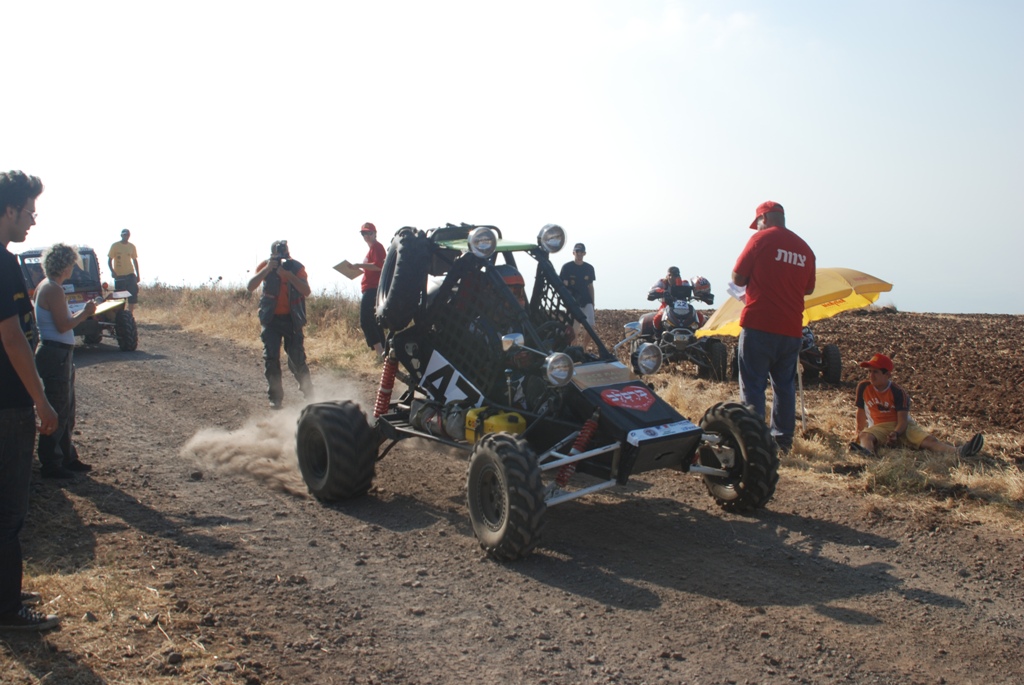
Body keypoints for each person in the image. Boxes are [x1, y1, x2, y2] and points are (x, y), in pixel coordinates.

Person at [0, 170, 61, 632]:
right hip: (7, 404)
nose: (32, 221)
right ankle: (7, 610)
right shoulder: (4, 264)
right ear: (8, 210)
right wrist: (41, 399)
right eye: (28, 211)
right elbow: (12, 337)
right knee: (9, 511)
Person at [732, 201, 816, 453]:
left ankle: (754, 440)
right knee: (784, 387)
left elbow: (737, 277)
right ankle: (782, 441)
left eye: (757, 223)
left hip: (759, 325)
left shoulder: (760, 240)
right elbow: (809, 288)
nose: (756, 228)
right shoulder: (805, 249)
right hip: (791, 330)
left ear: (764, 219)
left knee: (753, 385)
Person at [34, 243, 98, 479]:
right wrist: (86, 313)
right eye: (72, 264)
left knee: (65, 409)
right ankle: (53, 463)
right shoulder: (53, 289)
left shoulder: (47, 286)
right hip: (56, 353)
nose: (74, 268)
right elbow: (63, 325)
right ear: (64, 265)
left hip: (57, 352)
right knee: (59, 409)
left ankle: (66, 458)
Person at [853, 353, 984, 458]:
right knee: (865, 436)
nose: (871, 376)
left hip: (901, 426)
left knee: (930, 441)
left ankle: (960, 452)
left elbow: (902, 420)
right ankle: (867, 454)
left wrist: (896, 433)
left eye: (875, 372)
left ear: (887, 375)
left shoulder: (898, 392)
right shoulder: (863, 387)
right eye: (869, 372)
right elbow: (861, 412)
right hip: (879, 427)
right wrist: (858, 433)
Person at [247, 240, 314, 409]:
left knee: (297, 360)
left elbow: (306, 291)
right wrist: (267, 269)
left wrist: (288, 275)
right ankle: (275, 399)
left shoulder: (296, 267)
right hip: (270, 320)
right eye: (278, 254)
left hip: (292, 320)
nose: (282, 258)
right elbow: (250, 287)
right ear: (272, 255)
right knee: (271, 359)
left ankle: (310, 396)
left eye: (284, 254)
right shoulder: (265, 266)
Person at [353, 222, 386, 358]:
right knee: (374, 322)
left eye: (369, 233)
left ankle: (380, 352)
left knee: (366, 320)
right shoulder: (372, 249)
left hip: (373, 289)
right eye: (364, 233)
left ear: (375, 233)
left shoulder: (377, 247)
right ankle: (384, 353)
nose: (366, 235)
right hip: (371, 288)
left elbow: (379, 266)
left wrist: (359, 265)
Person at [559, 243, 596, 348]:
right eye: (577, 252)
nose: (579, 254)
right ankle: (573, 349)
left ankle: (583, 348)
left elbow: (590, 286)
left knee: (591, 326)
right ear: (573, 253)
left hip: (587, 301)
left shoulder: (589, 268)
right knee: (574, 330)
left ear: (584, 253)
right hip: (573, 303)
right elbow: (562, 286)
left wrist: (593, 302)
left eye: (581, 252)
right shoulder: (566, 267)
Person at [107, 228, 140, 312]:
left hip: (130, 274)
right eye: (124, 234)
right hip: (119, 275)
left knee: (132, 295)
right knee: (120, 297)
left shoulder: (132, 246)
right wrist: (112, 271)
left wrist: (138, 275)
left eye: (127, 234)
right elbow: (109, 260)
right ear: (121, 235)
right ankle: (120, 314)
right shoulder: (115, 246)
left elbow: (135, 260)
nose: (126, 236)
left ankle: (130, 314)